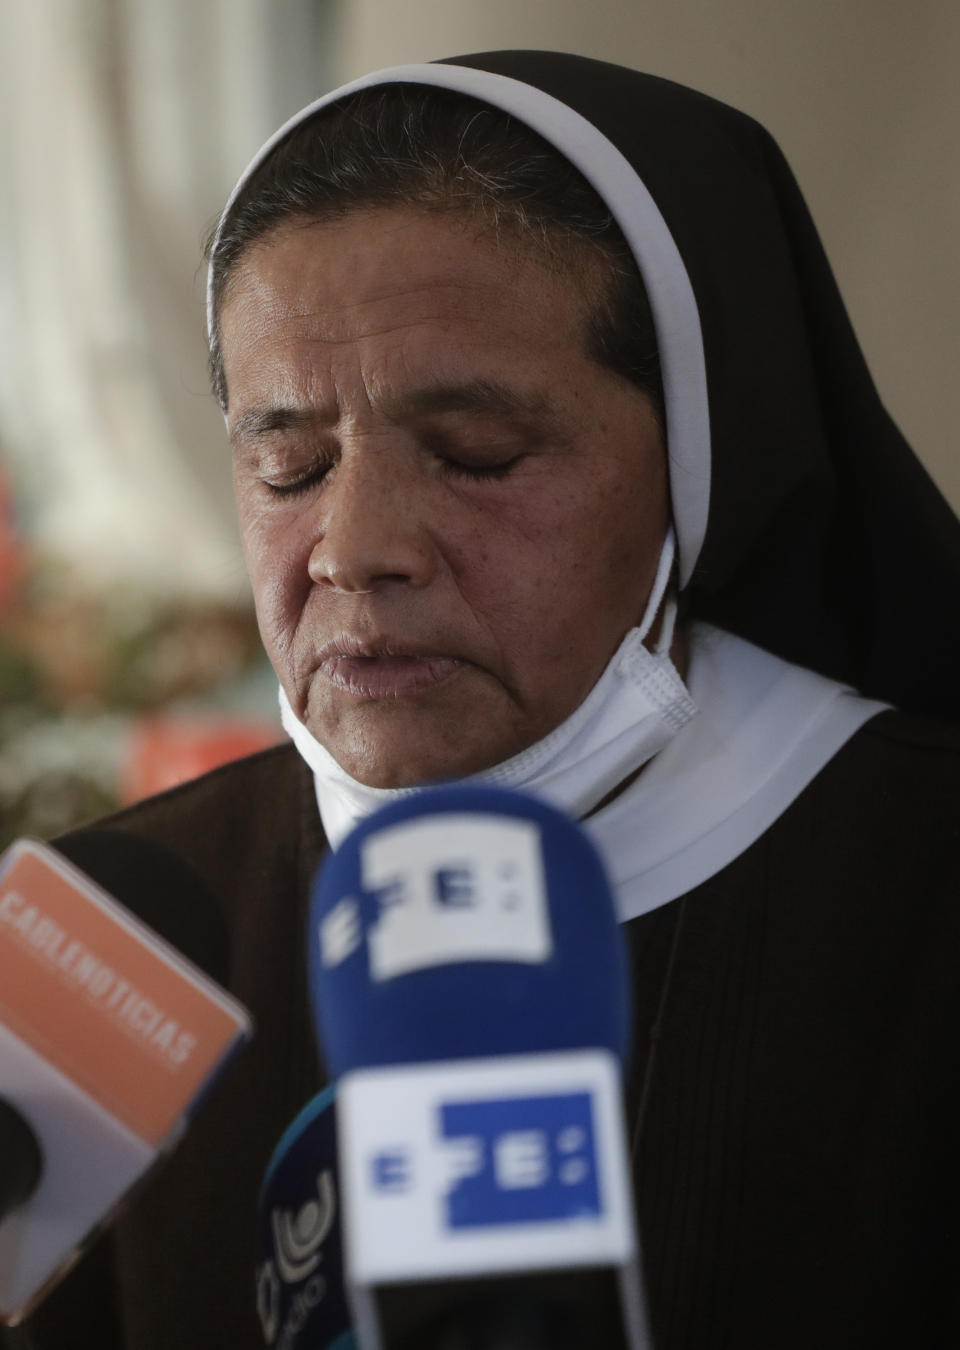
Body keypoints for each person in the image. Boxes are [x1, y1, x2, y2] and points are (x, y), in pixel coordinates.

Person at [24, 51, 960, 1350]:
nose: (354, 547)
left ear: (695, 466)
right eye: (286, 463)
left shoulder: (926, 884)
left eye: (476, 455)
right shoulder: (112, 947)